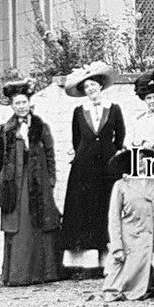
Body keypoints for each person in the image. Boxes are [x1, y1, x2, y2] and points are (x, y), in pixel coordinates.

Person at [59, 62, 125, 278]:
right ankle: (87, 263)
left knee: (106, 208)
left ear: (101, 87)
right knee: (85, 210)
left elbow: (120, 136)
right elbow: (76, 140)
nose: (91, 90)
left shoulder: (114, 109)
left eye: (94, 85)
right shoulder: (79, 112)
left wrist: (111, 153)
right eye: (87, 87)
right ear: (84, 92)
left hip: (108, 167)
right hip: (85, 169)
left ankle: (108, 262)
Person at [0, 79, 60, 286]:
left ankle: (42, 274)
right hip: (15, 185)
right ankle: (18, 275)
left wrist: (50, 180)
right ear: (12, 106)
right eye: (17, 103)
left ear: (29, 104)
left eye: (24, 102)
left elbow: (50, 155)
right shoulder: (5, 129)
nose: (21, 106)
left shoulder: (41, 127)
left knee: (39, 223)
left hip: (38, 184)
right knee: (19, 226)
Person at [103, 148, 154, 302]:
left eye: (144, 159)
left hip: (151, 238)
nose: (141, 162)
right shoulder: (121, 185)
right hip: (128, 238)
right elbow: (114, 218)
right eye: (136, 159)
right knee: (116, 287)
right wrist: (117, 247)